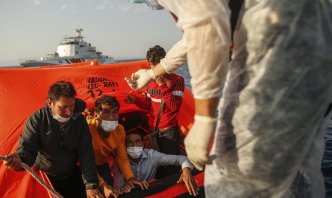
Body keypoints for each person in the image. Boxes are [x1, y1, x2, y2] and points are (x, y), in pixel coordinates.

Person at [126, 0, 332, 197]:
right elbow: (193, 38)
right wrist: (153, 74)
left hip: (281, 62)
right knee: (297, 171)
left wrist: (205, 118)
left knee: (236, 177)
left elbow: (205, 26)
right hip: (310, 54)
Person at [3, 81, 104, 198]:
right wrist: (19, 160)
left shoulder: (79, 121)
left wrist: (91, 185)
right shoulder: (37, 119)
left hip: (71, 175)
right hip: (46, 178)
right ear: (50, 103)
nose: (69, 112)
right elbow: (27, 150)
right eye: (63, 107)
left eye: (72, 106)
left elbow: (86, 154)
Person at [126, 45, 185, 177]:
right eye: (151, 65)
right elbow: (149, 105)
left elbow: (174, 106)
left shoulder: (178, 81)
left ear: (164, 63)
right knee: (157, 166)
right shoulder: (150, 81)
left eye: (156, 65)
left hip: (168, 133)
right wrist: (135, 100)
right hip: (153, 131)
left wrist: (162, 85)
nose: (153, 70)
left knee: (171, 167)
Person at [86, 95, 149, 197]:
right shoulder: (87, 129)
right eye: (106, 112)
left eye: (115, 112)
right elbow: (85, 163)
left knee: (111, 191)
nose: (111, 118)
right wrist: (102, 185)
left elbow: (122, 158)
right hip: (83, 167)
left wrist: (130, 178)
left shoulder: (120, 130)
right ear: (96, 114)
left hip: (102, 164)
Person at [113, 127, 198, 196]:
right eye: (130, 142)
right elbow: (118, 189)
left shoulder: (152, 155)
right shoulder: (119, 162)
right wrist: (125, 187)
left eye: (137, 141)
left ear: (143, 144)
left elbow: (181, 159)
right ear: (124, 146)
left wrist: (187, 170)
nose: (134, 145)